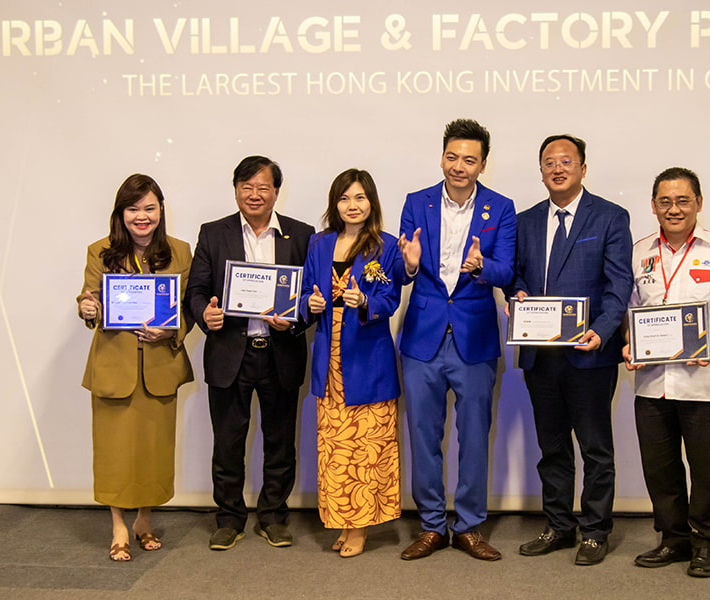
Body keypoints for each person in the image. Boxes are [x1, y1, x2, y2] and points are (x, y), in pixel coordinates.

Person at [623, 167, 710, 578]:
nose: (674, 209)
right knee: (660, 467)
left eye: (683, 200)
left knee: (705, 469)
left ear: (699, 203)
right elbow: (628, 311)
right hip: (651, 384)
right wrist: (629, 343)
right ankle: (673, 539)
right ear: (653, 206)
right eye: (664, 201)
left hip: (704, 384)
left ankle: (705, 542)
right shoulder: (638, 252)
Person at [507, 134, 633, 566]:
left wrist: (601, 330)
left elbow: (619, 286)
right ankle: (559, 525)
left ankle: (595, 531)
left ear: (583, 167)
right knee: (552, 447)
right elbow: (516, 277)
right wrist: (519, 294)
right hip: (541, 356)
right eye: (548, 162)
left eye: (566, 161)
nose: (557, 169)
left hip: (591, 354)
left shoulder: (611, 217)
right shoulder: (524, 222)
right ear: (540, 171)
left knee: (596, 448)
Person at [396, 118, 516, 561]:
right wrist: (408, 266)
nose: (458, 166)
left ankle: (467, 526)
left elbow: (506, 269)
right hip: (423, 337)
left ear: (483, 164)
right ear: (441, 157)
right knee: (423, 435)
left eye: (469, 159)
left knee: (474, 436)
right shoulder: (417, 202)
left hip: (475, 336)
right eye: (452, 157)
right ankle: (430, 526)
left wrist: (482, 267)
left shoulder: (500, 208)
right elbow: (404, 267)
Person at [185, 156, 314, 551]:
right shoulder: (213, 233)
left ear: (277, 191)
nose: (254, 194)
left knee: (280, 442)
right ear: (236, 189)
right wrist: (204, 314)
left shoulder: (302, 234)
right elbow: (195, 290)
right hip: (230, 354)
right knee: (227, 443)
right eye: (247, 186)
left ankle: (273, 516)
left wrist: (293, 320)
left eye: (263, 187)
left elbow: (311, 296)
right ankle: (229, 518)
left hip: (280, 353)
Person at [77, 173, 194, 562]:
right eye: (133, 209)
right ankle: (118, 526)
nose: (141, 217)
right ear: (121, 213)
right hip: (114, 367)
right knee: (114, 451)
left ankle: (144, 520)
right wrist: (87, 307)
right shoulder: (100, 251)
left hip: (160, 367)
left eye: (149, 208)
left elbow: (188, 310)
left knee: (153, 449)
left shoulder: (180, 251)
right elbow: (88, 298)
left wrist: (170, 331)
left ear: (161, 210)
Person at [301, 168, 404, 558]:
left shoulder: (386, 246)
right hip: (330, 364)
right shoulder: (318, 244)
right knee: (335, 449)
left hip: (369, 362)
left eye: (360, 197)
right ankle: (345, 521)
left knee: (367, 450)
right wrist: (308, 306)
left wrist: (366, 303)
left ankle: (360, 528)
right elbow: (306, 297)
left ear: (371, 202)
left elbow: (390, 299)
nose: (352, 205)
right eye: (345, 198)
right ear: (335, 204)